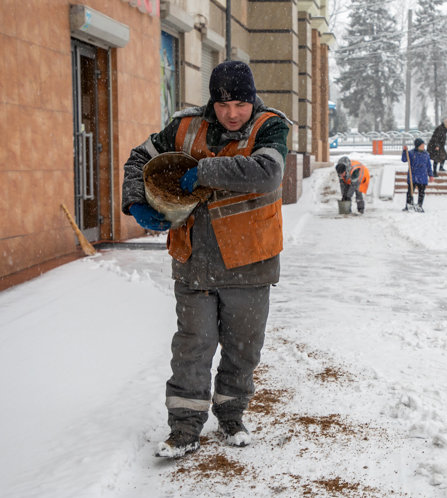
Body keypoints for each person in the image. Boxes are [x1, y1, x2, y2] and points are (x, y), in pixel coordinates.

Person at [121, 60, 290, 458]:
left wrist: (203, 171)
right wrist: (135, 201)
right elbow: (137, 159)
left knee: (242, 347)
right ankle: (184, 427)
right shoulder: (183, 127)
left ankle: (231, 415)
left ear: (252, 100)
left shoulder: (270, 126)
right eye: (222, 103)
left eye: (240, 103)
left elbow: (266, 172)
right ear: (211, 101)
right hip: (195, 259)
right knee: (193, 346)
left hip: (250, 261)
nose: (232, 113)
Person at [401, 138, 433, 212]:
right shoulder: (411, 153)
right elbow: (404, 159)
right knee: (410, 192)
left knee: (421, 192)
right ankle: (409, 205)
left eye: (423, 144)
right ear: (418, 145)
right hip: (413, 176)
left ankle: (419, 205)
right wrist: (404, 151)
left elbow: (429, 165)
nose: (423, 146)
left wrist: (430, 175)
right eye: (422, 145)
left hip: (423, 176)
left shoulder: (426, 154)